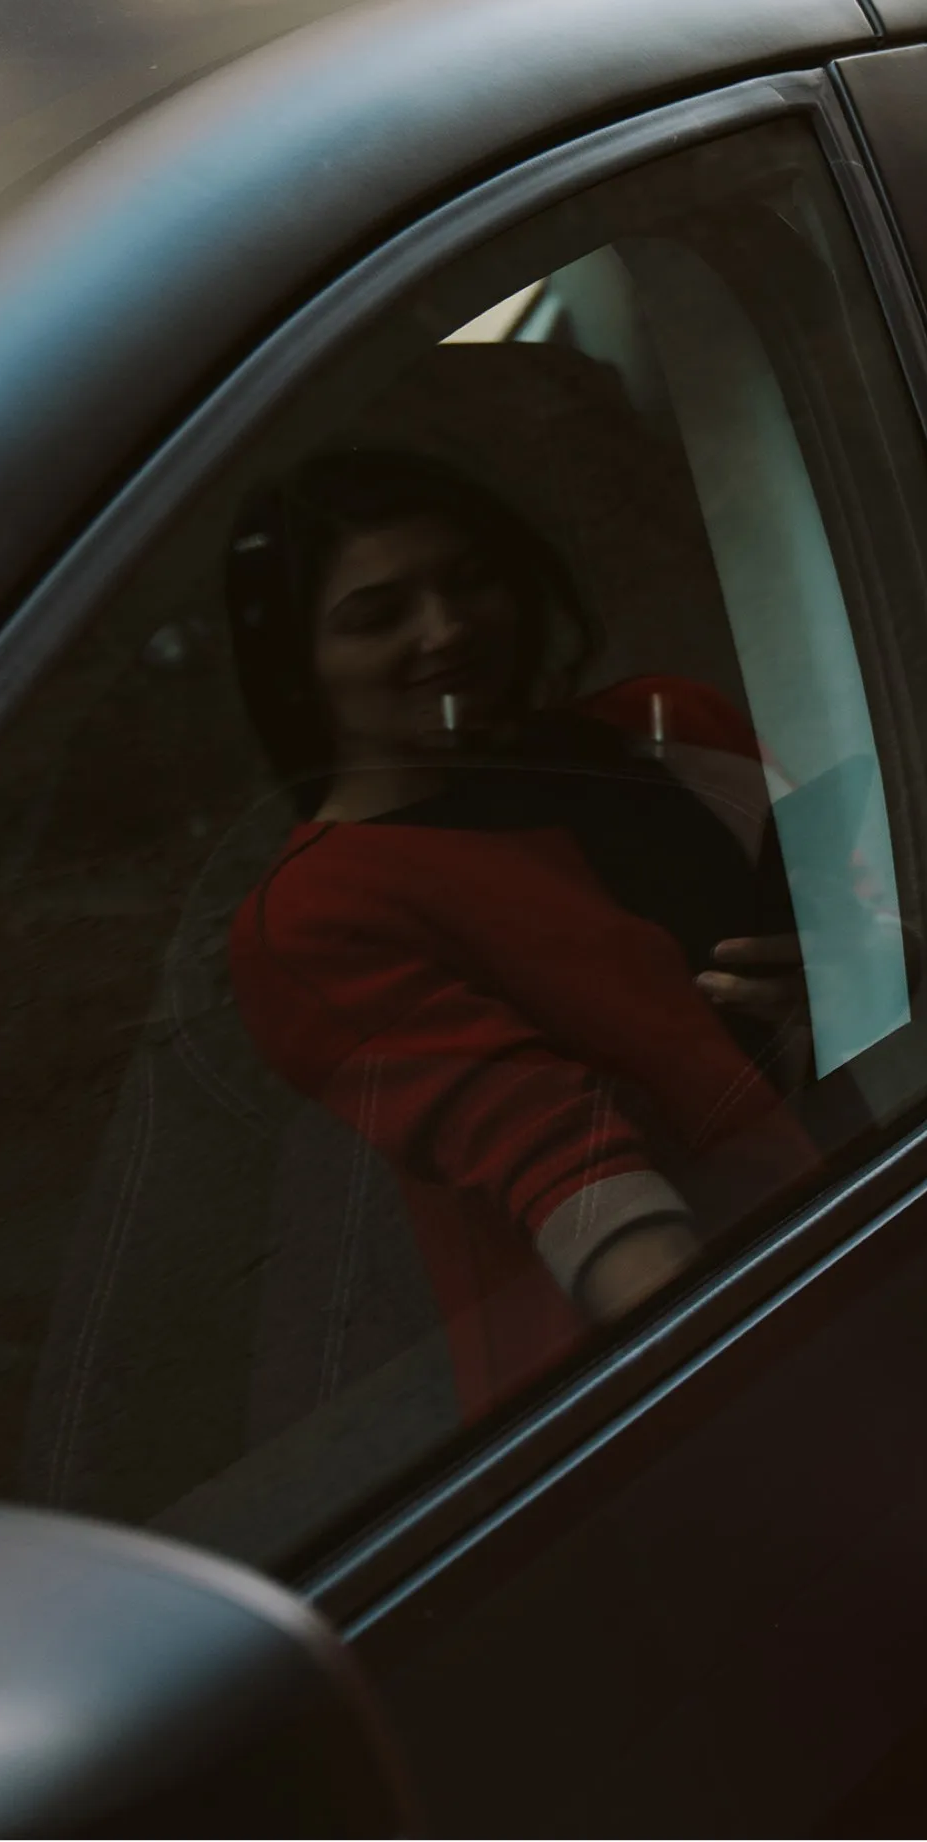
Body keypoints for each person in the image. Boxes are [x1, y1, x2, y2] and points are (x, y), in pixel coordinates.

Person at [226, 448, 816, 1420]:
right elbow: (563, 1163)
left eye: (470, 581)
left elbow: (887, 928)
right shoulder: (314, 913)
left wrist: (853, 980)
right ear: (297, 667)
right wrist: (745, 1390)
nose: (447, 631)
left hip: (858, 1220)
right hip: (663, 1379)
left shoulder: (668, 728)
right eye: (377, 616)